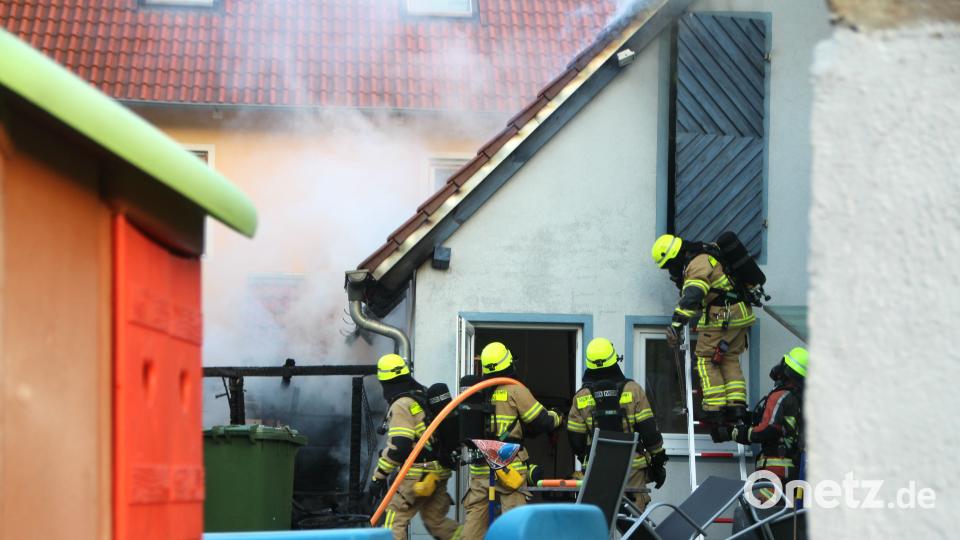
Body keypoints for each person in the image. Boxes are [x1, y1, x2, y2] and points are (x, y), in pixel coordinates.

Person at [460, 342, 562, 540]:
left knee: (473, 529)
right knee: (514, 528)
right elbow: (542, 421)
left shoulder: (477, 392)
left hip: (481, 467)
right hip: (509, 467)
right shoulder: (515, 390)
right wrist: (558, 416)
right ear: (507, 362)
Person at [651, 233, 756, 421]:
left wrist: (676, 325)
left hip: (723, 316)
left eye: (668, 265)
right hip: (739, 314)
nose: (670, 270)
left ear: (674, 256)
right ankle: (736, 407)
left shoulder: (696, 263)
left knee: (705, 360)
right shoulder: (705, 254)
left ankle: (714, 409)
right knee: (729, 359)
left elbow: (694, 294)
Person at [567, 337, 667, 512]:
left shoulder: (581, 397)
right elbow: (649, 432)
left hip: (597, 469)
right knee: (634, 522)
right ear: (614, 359)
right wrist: (658, 462)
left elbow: (576, 440)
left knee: (600, 518)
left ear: (589, 363)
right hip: (632, 467)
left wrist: (587, 457)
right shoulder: (633, 390)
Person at [368, 354, 461, 540]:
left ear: (384, 381)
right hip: (438, 471)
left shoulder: (402, 404)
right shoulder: (422, 394)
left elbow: (399, 448)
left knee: (393, 520)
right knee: (437, 522)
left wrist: (378, 477)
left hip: (417, 474)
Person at [712, 347, 807, 501]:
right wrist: (747, 417)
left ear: (787, 368)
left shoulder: (780, 396)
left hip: (776, 470)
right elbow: (780, 426)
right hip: (794, 470)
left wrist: (732, 432)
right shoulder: (799, 399)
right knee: (787, 520)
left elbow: (766, 430)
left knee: (766, 516)